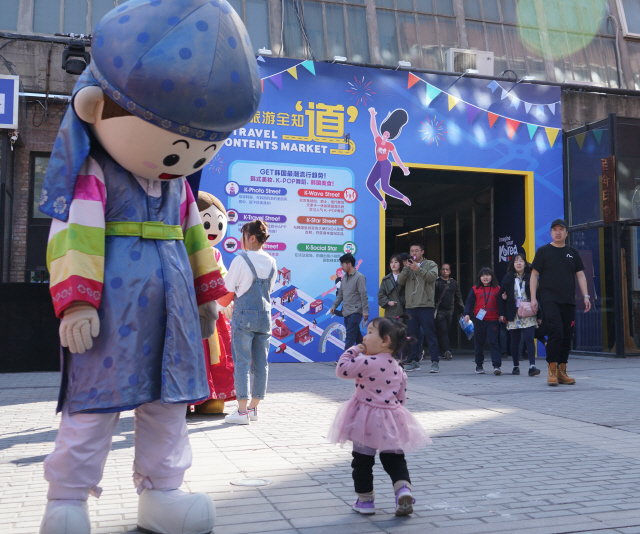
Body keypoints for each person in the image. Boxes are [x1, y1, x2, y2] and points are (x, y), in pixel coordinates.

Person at [328, 316, 431, 516]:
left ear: (385, 341)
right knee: (395, 459)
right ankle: (403, 490)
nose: (365, 338)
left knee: (362, 461)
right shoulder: (399, 369)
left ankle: (365, 501)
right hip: (390, 419)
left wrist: (354, 350)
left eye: (369, 333)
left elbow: (341, 370)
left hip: (363, 420)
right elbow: (401, 398)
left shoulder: (364, 361)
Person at [219, 220, 277, 424]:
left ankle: (241, 412)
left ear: (252, 238)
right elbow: (269, 290)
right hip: (265, 316)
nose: (241, 240)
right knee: (261, 363)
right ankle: (253, 409)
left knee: (242, 362)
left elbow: (227, 292)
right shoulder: (271, 261)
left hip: (244, 316)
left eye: (243, 236)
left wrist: (219, 308)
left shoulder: (240, 260)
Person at [530, 219, 591, 386]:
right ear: (551, 233)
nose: (558, 232)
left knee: (566, 335)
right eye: (554, 230)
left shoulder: (573, 252)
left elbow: (580, 275)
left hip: (568, 299)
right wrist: (534, 298)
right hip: (549, 298)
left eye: (561, 230)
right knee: (556, 331)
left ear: (566, 233)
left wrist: (586, 296)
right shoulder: (543, 251)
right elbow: (534, 275)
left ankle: (562, 370)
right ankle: (552, 369)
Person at [398, 242, 439, 372]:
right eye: (412, 251)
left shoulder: (431, 264)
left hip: (425, 305)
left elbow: (432, 277)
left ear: (422, 252)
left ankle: (435, 362)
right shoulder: (408, 265)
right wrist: (407, 267)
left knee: (430, 334)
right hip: (411, 305)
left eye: (416, 251)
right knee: (413, 335)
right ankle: (414, 361)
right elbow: (399, 281)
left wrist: (418, 269)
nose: (414, 253)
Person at [498, 253, 541, 377]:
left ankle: (532, 366)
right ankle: (515, 366)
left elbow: (538, 296)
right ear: (513, 264)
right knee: (515, 341)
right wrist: (501, 313)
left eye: (521, 261)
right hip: (514, 312)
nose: (518, 263)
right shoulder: (508, 278)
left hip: (528, 312)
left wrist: (540, 316)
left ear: (525, 263)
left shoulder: (530, 277)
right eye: (516, 261)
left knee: (529, 338)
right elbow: (501, 297)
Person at [365, 107, 411, 210]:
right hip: (378, 164)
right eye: (385, 133)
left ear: (391, 135)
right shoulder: (377, 140)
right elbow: (373, 128)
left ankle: (402, 197)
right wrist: (372, 114)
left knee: (384, 187)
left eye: (388, 134)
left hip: (386, 164)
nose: (386, 135)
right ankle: (382, 200)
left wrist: (403, 168)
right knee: (369, 183)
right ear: (383, 132)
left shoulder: (390, 145)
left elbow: (396, 157)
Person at [464, 268, 502, 375]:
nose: (485, 277)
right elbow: (469, 302)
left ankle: (496, 366)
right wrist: (466, 313)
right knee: (479, 343)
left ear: (492, 277)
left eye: (488, 275)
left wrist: (502, 314)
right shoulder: (475, 289)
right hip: (479, 320)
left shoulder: (497, 289)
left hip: (493, 320)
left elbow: (501, 303)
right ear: (479, 278)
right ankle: (479, 365)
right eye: (483, 275)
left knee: (493, 342)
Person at [330, 254, 369, 350]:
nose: (341, 267)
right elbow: (340, 294)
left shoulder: (359, 277)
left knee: (350, 336)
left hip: (356, 311)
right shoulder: (345, 278)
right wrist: (334, 306)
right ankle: (367, 355)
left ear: (349, 264)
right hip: (346, 311)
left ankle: (345, 361)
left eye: (342, 264)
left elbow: (363, 295)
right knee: (357, 335)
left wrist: (365, 311)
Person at [433, 263, 465, 360]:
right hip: (439, 311)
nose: (445, 271)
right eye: (443, 269)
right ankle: (447, 350)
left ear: (450, 271)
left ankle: (442, 351)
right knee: (443, 329)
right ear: (440, 270)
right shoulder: (436, 282)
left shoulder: (454, 283)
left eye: (447, 269)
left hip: (450, 311)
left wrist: (462, 311)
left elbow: (458, 297)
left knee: (446, 330)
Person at [378, 254, 405, 318]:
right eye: (391, 262)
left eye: (396, 262)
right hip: (391, 310)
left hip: (404, 309)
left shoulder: (405, 277)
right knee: (390, 327)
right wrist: (388, 302)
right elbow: (381, 294)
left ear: (400, 264)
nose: (393, 264)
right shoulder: (386, 279)